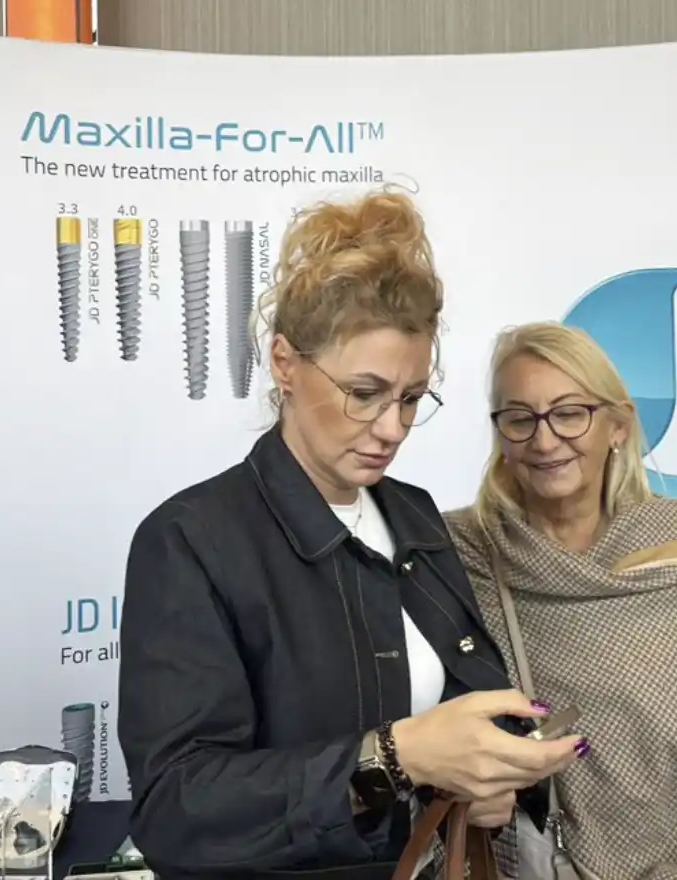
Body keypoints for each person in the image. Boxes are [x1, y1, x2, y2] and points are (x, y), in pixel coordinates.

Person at [118, 192, 581, 880]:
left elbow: (457, 726)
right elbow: (178, 812)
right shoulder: (191, 541)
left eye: (411, 398)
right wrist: (396, 757)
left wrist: (490, 779)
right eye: (363, 393)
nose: (392, 428)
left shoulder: (414, 515)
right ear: (284, 362)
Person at [445, 322, 677, 880]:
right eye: (520, 419)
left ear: (617, 426)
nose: (545, 441)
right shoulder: (455, 556)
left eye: (570, 414)